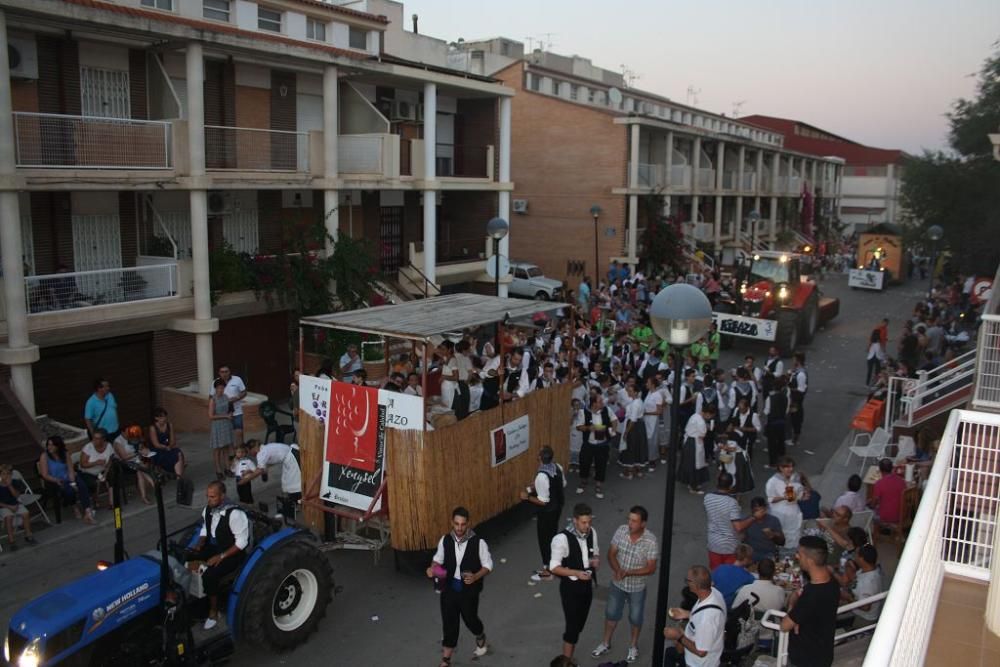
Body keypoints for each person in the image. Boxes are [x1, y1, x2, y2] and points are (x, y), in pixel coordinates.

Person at [426, 506, 492, 666]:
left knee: (470, 620)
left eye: (463, 524)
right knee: (449, 623)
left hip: (469, 591)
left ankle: (480, 634)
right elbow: (437, 559)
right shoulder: (445, 540)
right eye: (456, 524)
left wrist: (475, 576)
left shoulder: (478, 542)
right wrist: (432, 568)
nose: (459, 528)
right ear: (452, 523)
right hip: (448, 588)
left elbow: (488, 565)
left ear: (468, 523)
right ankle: (446, 659)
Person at [591, 505, 658, 663]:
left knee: (635, 618)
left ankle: (633, 646)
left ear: (643, 524)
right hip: (617, 583)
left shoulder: (651, 541)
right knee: (611, 614)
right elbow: (611, 553)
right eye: (629, 519)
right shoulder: (621, 531)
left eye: (634, 521)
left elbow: (651, 568)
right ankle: (606, 643)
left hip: (637, 587)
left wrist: (628, 572)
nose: (630, 523)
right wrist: (618, 569)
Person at [188, 480, 250, 630]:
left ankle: (213, 611)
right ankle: (192, 595)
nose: (209, 500)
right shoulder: (208, 509)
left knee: (210, 575)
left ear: (222, 496)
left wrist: (221, 556)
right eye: (208, 497)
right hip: (214, 546)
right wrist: (201, 542)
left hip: (232, 553)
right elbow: (205, 528)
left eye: (213, 497)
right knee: (187, 556)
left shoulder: (235, 514)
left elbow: (242, 543)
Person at [781, 536, 840, 667]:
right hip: (823, 653)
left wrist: (792, 604)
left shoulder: (812, 595)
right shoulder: (832, 583)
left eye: (799, 554)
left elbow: (784, 625)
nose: (796, 556)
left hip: (805, 659)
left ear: (810, 560)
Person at [551, 503, 599, 663]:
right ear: (575, 520)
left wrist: (594, 561)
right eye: (584, 522)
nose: (587, 526)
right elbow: (554, 567)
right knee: (572, 628)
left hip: (587, 586)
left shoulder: (592, 532)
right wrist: (576, 573)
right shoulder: (561, 539)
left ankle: (569, 655)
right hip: (570, 588)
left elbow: (594, 552)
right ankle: (567, 662)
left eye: (589, 522)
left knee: (578, 626)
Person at [662, 565, 726, 667]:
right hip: (703, 655)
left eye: (688, 580)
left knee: (670, 652)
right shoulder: (715, 594)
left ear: (696, 586)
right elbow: (702, 613)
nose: (687, 583)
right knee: (670, 652)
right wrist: (687, 614)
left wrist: (678, 636)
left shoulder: (707, 619)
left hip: (698, 664)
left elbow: (701, 652)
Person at [520, 446, 566, 582]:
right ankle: (554, 564)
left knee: (544, 541)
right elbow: (562, 483)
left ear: (539, 458)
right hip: (558, 507)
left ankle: (548, 571)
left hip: (547, 512)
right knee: (552, 536)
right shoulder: (557, 467)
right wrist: (537, 486)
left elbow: (543, 501)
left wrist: (526, 497)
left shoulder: (541, 476)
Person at [39, 436, 95, 524]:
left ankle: (87, 510)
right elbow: (44, 475)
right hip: (55, 479)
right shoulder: (44, 456)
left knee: (81, 485)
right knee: (69, 491)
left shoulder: (65, 454)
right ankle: (74, 506)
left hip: (68, 476)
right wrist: (57, 480)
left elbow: (70, 469)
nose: (50, 447)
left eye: (52, 445)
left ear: (58, 446)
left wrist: (73, 482)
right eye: (48, 445)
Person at [703, 471, 755, 568]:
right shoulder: (732, 502)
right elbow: (738, 527)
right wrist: (753, 517)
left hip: (713, 543)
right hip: (730, 546)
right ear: (731, 487)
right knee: (730, 574)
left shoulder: (707, 498)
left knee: (716, 574)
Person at [242, 440, 302, 519]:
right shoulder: (265, 449)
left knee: (293, 483)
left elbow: (260, 470)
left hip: (292, 457)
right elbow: (262, 467)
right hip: (288, 458)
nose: (249, 453)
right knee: (287, 482)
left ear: (254, 448)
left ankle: (298, 504)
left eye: (249, 451)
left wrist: (245, 480)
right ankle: (293, 504)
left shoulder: (261, 453)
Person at [733, 558, 786, 645]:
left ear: (757, 571)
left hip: (746, 633)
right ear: (773, 573)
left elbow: (735, 609)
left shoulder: (745, 589)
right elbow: (781, 608)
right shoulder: (779, 591)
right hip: (769, 635)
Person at [575, 394, 617, 499]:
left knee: (601, 464)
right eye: (600, 401)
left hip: (603, 444)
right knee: (584, 462)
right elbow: (579, 427)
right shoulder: (583, 412)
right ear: (594, 403)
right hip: (588, 444)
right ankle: (583, 482)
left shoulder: (607, 410)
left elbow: (614, 420)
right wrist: (589, 428)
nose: (602, 403)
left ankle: (598, 485)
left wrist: (614, 430)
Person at [766, 457, 804, 550]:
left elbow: (800, 492)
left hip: (793, 512)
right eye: (787, 467)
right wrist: (783, 497)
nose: (790, 469)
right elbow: (770, 499)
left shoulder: (795, 478)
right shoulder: (772, 481)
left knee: (794, 535)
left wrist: (799, 495)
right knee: (781, 535)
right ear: (780, 468)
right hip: (779, 514)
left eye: (791, 466)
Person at [678, 403, 716, 494]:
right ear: (707, 413)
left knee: (689, 464)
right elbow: (703, 435)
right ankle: (693, 487)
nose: (710, 418)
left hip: (688, 442)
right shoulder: (701, 422)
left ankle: (690, 483)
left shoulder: (695, 415)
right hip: (694, 444)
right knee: (695, 465)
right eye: (710, 416)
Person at [0, 464, 36, 549]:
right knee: (9, 517)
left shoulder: (15, 482)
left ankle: (28, 535)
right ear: (0, 475)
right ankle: (11, 541)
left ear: (11, 475)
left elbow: (16, 496)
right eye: (4, 474)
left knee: (26, 513)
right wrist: (9, 507)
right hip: (4, 506)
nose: (6, 476)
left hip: (16, 503)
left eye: (9, 474)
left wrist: (9, 485)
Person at [710, 544, 756, 609]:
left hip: (714, 604)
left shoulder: (720, 568)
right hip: (730, 609)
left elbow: (711, 585)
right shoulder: (749, 578)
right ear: (746, 559)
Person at [847, 544, 882, 625]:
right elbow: (857, 580)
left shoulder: (869, 582)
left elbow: (865, 607)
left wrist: (848, 598)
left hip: (864, 618)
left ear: (862, 559)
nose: (854, 557)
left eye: (856, 555)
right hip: (856, 609)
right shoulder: (867, 570)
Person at [146, 407, 185, 478]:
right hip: (157, 449)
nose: (164, 418)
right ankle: (169, 470)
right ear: (156, 418)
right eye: (162, 417)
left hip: (168, 446)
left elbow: (173, 440)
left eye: (165, 416)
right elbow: (156, 444)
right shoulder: (153, 428)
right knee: (165, 456)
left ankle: (179, 476)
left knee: (178, 452)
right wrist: (165, 447)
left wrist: (170, 446)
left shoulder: (169, 425)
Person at [744, 496, 786, 563]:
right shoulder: (746, 521)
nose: (759, 514)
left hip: (768, 555)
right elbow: (741, 541)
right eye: (756, 511)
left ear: (765, 509)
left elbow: (782, 542)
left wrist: (773, 535)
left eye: (762, 510)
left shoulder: (773, 520)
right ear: (752, 510)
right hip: (751, 556)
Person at [619, 384, 647, 479]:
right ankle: (637, 470)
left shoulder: (635, 403)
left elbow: (633, 420)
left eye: (630, 391)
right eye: (628, 390)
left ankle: (629, 472)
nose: (628, 392)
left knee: (630, 447)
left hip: (634, 427)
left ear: (635, 392)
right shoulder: (637, 401)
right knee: (637, 447)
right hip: (639, 427)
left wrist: (626, 432)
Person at [869, 458, 906, 529]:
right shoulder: (901, 481)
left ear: (880, 470)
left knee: (867, 511)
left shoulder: (879, 484)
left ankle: (874, 533)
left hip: (886, 518)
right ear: (892, 468)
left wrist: (870, 503)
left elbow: (874, 504)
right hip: (902, 515)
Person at [208, 378, 234, 481]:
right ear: (215, 388)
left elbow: (229, 409)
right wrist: (225, 416)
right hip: (217, 425)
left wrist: (230, 414)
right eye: (219, 388)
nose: (221, 390)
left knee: (226, 448)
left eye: (222, 388)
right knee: (217, 449)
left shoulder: (226, 397)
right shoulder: (213, 400)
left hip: (226, 424)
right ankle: (218, 470)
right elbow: (210, 416)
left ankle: (227, 468)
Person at [218, 364, 247, 449]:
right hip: (223, 413)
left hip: (237, 411)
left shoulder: (237, 380)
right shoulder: (216, 382)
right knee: (227, 434)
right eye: (222, 372)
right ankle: (231, 454)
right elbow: (212, 397)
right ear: (219, 373)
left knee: (239, 432)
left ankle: (241, 452)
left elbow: (244, 392)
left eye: (226, 371)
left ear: (229, 372)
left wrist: (237, 398)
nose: (224, 374)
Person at [763, 376, 789, 467]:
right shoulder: (786, 397)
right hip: (782, 422)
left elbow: (767, 411)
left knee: (772, 444)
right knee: (781, 441)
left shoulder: (770, 398)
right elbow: (786, 410)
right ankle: (782, 459)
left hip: (772, 423)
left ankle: (773, 462)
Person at [787, 352, 808, 447]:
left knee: (796, 418)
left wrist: (789, 389)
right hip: (792, 398)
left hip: (796, 400)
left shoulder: (801, 374)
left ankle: (795, 438)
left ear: (798, 360)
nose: (793, 361)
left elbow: (801, 389)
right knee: (791, 417)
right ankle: (791, 436)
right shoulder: (796, 371)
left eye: (794, 359)